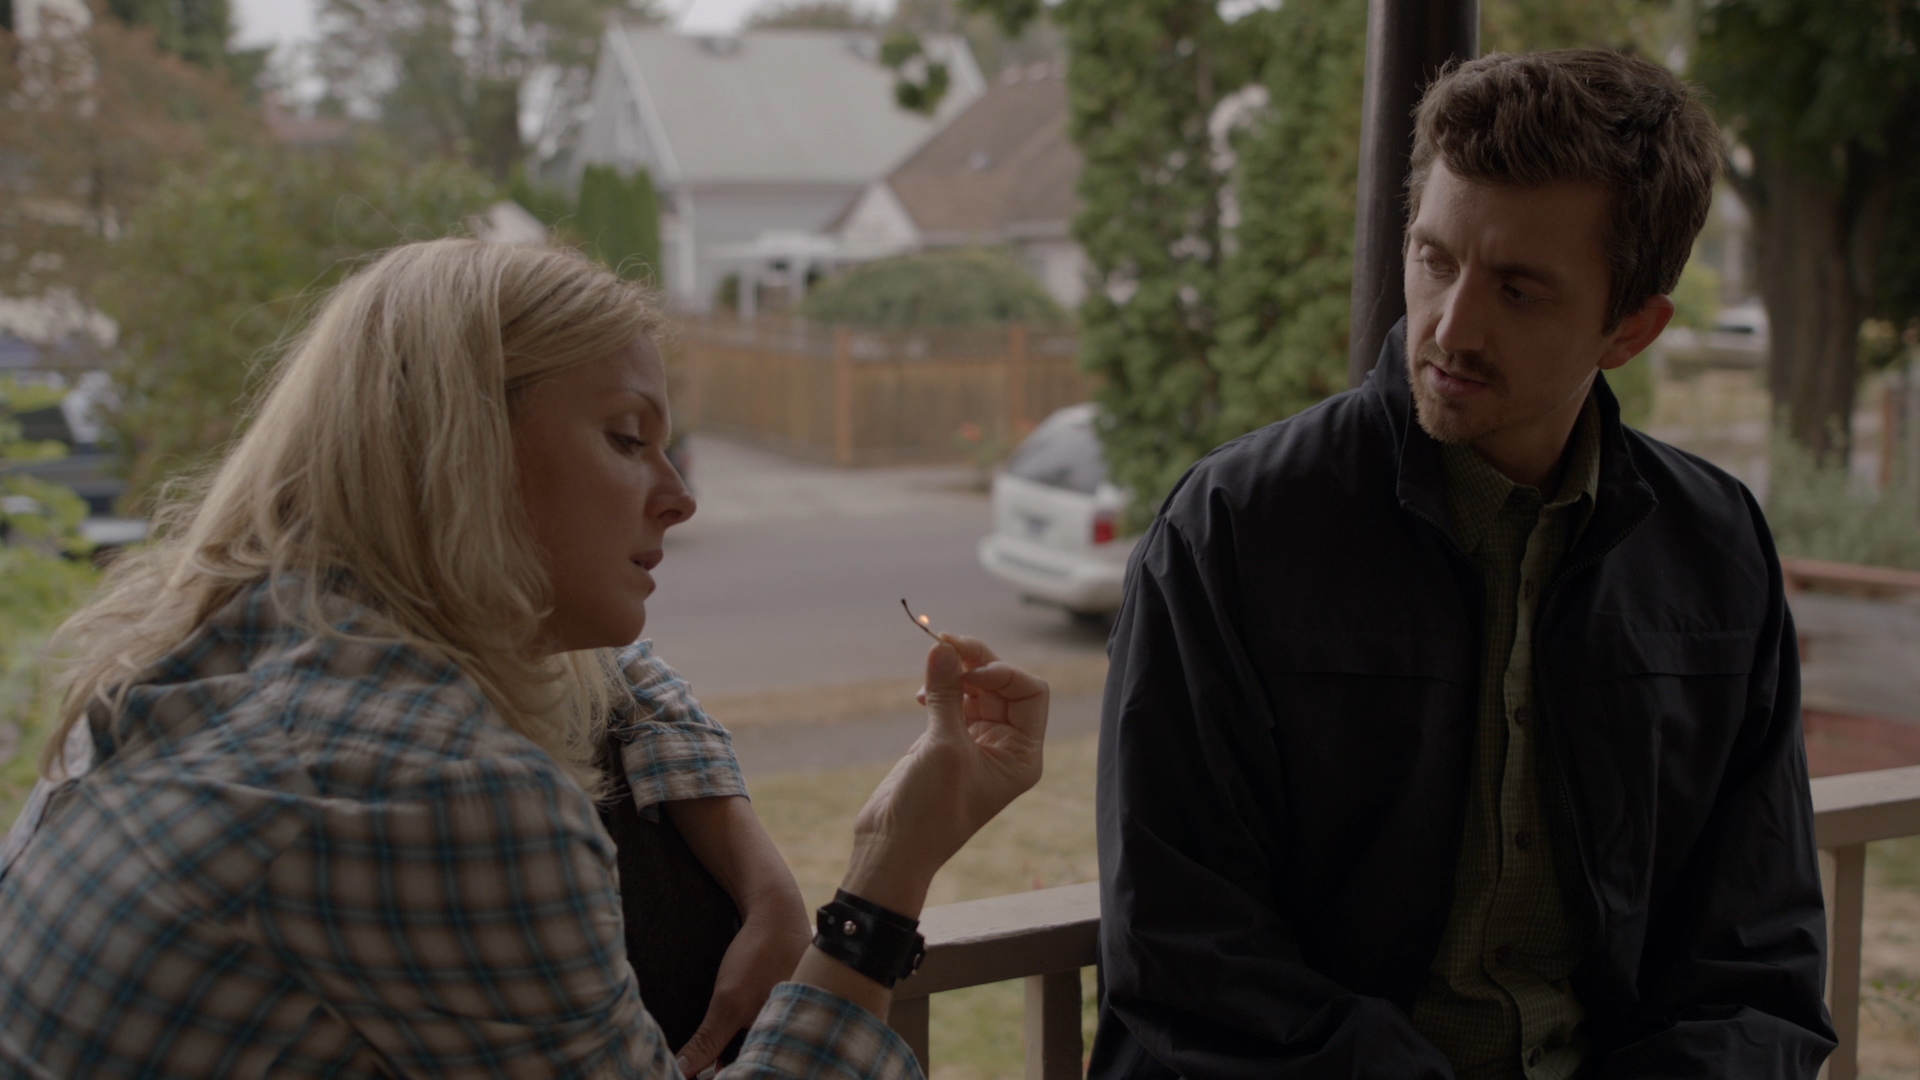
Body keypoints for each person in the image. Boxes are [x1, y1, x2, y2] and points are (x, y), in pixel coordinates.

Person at [0, 238, 1049, 1078]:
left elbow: (627, 670)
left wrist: (740, 846)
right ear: (463, 451)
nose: (681, 498)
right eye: (627, 438)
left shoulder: (233, 642)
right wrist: (883, 880)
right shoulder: (434, 786)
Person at [1089, 49, 1835, 1080]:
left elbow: (1757, 958)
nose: (1450, 326)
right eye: (1435, 260)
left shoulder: (1715, 550)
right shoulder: (1233, 530)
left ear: (1632, 328)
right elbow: (1182, 944)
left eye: (1518, 291)